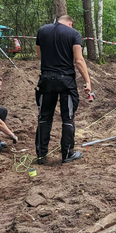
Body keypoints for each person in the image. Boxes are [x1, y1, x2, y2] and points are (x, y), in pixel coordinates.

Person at [34, 15, 92, 165]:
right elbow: (78, 60)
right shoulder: (73, 34)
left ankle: (41, 155)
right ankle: (67, 154)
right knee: (68, 118)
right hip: (66, 81)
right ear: (70, 23)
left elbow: (40, 55)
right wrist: (87, 81)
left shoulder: (42, 31)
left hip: (46, 79)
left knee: (44, 117)